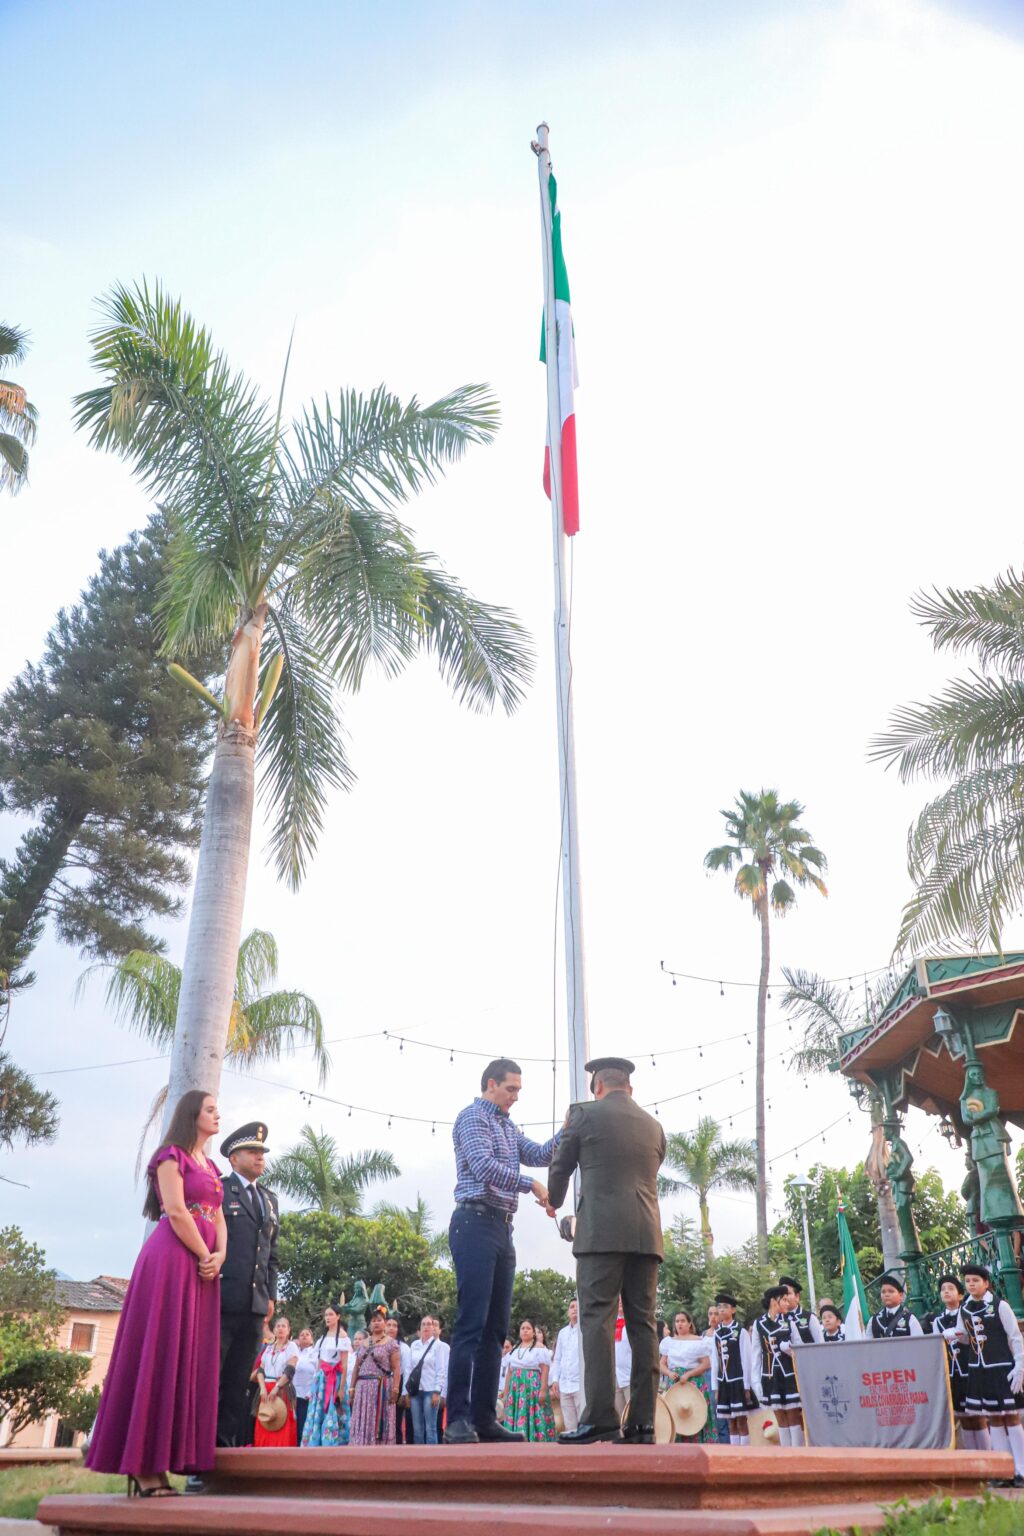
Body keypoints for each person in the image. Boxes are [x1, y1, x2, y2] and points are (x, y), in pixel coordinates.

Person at [86, 1090, 226, 1496]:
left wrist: (220, 1255)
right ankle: (143, 1466)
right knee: (160, 1353)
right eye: (211, 1109)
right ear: (192, 1115)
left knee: (185, 1358)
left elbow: (217, 1216)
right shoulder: (170, 1157)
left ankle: (163, 1462)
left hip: (202, 1268)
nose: (218, 1115)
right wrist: (205, 1254)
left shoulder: (211, 1167)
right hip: (171, 1262)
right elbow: (177, 1211)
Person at [546, 1055, 667, 1445]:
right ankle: (643, 1423)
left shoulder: (582, 1114)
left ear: (597, 1087)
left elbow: (561, 1165)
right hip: (646, 1236)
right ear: (629, 1088)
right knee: (643, 1325)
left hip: (600, 1235)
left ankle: (600, 1417)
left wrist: (554, 1200)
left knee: (597, 1320)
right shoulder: (654, 1126)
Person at [445, 1057, 560, 1445]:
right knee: (471, 1324)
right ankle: (457, 1418)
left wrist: (569, 1130)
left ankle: (483, 1418)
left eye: (518, 1090)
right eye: (511, 1089)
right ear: (490, 1084)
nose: (515, 1097)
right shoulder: (472, 1117)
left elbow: (541, 1153)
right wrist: (531, 1184)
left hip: (501, 1228)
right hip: (473, 1223)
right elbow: (483, 1166)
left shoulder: (508, 1127)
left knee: (495, 1329)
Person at [216, 1121, 280, 1448]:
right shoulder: (220, 1190)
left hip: (255, 1305)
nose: (259, 1157)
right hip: (222, 1299)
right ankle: (200, 1450)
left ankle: (224, 1449)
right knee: (213, 1377)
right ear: (233, 1158)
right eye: (252, 1151)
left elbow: (272, 1254)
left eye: (261, 1152)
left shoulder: (269, 1200)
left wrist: (271, 1295)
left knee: (239, 1380)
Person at [960, 1262, 1024, 1485]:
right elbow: (964, 1336)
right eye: (967, 1281)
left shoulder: (999, 1305)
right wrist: (952, 1334)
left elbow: (1015, 1336)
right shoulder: (964, 1308)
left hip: (1002, 1368)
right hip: (980, 1371)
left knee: (1011, 1417)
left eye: (975, 1281)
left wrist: (1019, 1366)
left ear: (986, 1283)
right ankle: (1004, 1470)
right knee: (994, 1418)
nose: (971, 1284)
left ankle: (1022, 1469)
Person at [932, 1275, 983, 1450]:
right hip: (952, 1373)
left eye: (950, 1288)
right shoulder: (938, 1321)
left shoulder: (967, 1314)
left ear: (960, 1295)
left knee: (977, 1416)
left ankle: (985, 1453)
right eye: (943, 1289)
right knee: (962, 1416)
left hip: (970, 1369)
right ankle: (970, 1454)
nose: (946, 1291)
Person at [753, 1286, 805, 1446]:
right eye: (784, 1300)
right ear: (773, 1301)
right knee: (780, 1416)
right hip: (770, 1376)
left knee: (793, 1415)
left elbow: (800, 1349)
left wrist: (788, 1349)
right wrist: (755, 1382)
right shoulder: (759, 1324)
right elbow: (756, 1355)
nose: (787, 1303)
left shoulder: (790, 1321)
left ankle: (797, 1453)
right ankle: (786, 1454)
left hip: (788, 1375)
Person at [349, 1306, 402, 1445]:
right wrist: (352, 1388)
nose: (376, 1323)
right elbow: (356, 1367)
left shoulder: (391, 1343)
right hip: (362, 1388)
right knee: (362, 1419)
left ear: (385, 1323)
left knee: (379, 1420)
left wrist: (396, 1388)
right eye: (373, 1321)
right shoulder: (364, 1343)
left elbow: (396, 1368)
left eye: (379, 1320)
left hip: (381, 1388)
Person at [659, 1310, 715, 1443]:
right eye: (677, 1321)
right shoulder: (669, 1342)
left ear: (689, 1323)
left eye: (683, 1321)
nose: (680, 1324)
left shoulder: (699, 1341)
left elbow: (706, 1364)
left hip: (694, 1383)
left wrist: (689, 1374)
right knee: (676, 1416)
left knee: (694, 1414)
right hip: (675, 1383)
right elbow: (661, 1363)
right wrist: (669, 1373)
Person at [301, 1303, 352, 1447]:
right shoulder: (323, 1337)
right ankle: (316, 1442)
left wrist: (341, 1388)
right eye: (326, 1315)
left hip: (335, 1379)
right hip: (321, 1379)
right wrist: (314, 1384)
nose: (327, 1318)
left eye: (331, 1315)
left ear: (338, 1316)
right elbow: (319, 1362)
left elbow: (344, 1365)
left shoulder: (342, 1336)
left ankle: (334, 1442)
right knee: (317, 1411)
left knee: (334, 1410)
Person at [502, 1319, 556, 1441]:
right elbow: (509, 1372)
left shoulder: (539, 1348)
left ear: (533, 1332)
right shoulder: (514, 1350)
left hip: (533, 1387)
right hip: (516, 1389)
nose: (525, 1331)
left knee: (535, 1414)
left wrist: (543, 1390)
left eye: (528, 1328)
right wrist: (506, 1394)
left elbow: (545, 1369)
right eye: (523, 1328)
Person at [711, 1292, 752, 1445]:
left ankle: (745, 1452)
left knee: (741, 1419)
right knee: (730, 1421)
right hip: (724, 1382)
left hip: (738, 1381)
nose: (721, 1310)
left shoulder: (740, 1331)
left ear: (733, 1310)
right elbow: (715, 1361)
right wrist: (716, 1387)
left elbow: (747, 1359)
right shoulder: (717, 1333)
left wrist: (746, 1386)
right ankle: (734, 1452)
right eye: (719, 1307)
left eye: (725, 1306)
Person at [253, 1316, 299, 1446]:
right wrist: (262, 1388)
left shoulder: (291, 1346)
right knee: (266, 1421)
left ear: (288, 1330)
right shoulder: (269, 1348)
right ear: (274, 1329)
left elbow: (290, 1370)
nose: (280, 1329)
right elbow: (260, 1370)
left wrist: (277, 1387)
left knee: (281, 1426)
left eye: (283, 1326)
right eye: (278, 1326)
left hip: (282, 1389)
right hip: (266, 1390)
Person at [406, 1315, 448, 1445]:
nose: (426, 1327)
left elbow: (441, 1370)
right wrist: (406, 1392)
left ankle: (432, 1455)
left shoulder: (438, 1346)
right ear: (420, 1327)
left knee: (431, 1428)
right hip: (415, 1391)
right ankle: (419, 1455)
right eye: (423, 1324)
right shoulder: (414, 1345)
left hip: (430, 1391)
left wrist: (437, 1391)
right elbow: (409, 1368)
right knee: (417, 1429)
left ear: (433, 1327)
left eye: (429, 1324)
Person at [550, 1301, 582, 1433]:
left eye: (577, 1306)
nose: (574, 1309)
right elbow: (557, 1358)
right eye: (572, 1307)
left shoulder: (585, 1330)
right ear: (568, 1312)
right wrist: (555, 1380)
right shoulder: (562, 1333)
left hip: (580, 1384)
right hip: (564, 1385)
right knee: (569, 1425)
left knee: (583, 1423)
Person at [386, 1317, 414, 1445]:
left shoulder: (403, 1347)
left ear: (398, 1329)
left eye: (394, 1325)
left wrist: (404, 1392)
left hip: (398, 1382)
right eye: (388, 1325)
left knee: (396, 1420)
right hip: (381, 1383)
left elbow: (407, 1370)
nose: (391, 1328)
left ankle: (396, 1447)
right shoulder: (377, 1344)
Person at [779, 1276, 823, 1343]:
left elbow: (821, 1344)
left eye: (788, 1293)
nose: (784, 1297)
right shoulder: (776, 1318)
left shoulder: (809, 1318)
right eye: (782, 1294)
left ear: (797, 1296)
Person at [293, 1329, 317, 1442]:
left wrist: (311, 1392)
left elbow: (317, 1373)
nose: (304, 1336)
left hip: (307, 1395)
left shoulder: (315, 1353)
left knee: (303, 1425)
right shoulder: (294, 1352)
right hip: (292, 1395)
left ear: (312, 1340)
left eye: (307, 1335)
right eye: (301, 1334)